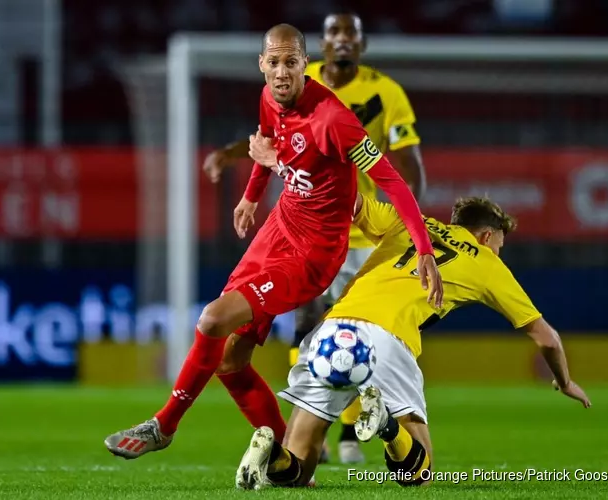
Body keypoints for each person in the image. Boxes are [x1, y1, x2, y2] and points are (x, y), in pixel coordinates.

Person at [104, 24, 443, 460]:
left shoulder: (334, 121)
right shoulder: (268, 97)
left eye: (291, 63)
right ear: (262, 64)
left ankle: (164, 424)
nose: (282, 72)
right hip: (279, 229)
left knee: (211, 320)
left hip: (314, 253)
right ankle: (293, 457)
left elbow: (393, 183)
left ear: (306, 64)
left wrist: (425, 250)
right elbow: (266, 144)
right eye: (274, 62)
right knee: (229, 360)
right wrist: (249, 196)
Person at [234, 193, 591, 490]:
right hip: (387, 338)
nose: (499, 253)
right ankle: (387, 427)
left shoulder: (408, 221)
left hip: (331, 330)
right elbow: (546, 336)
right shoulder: (486, 261)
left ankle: (271, 452)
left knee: (298, 472)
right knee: (419, 474)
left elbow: (349, 200)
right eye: (499, 244)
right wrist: (565, 381)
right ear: (486, 236)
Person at [202, 13, 427, 464]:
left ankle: (348, 432)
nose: (342, 41)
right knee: (306, 325)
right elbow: (268, 138)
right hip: (310, 228)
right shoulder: (287, 81)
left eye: (350, 34)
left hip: (364, 228)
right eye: (334, 33)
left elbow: (403, 167)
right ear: (319, 47)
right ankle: (313, 430)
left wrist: (412, 232)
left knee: (353, 332)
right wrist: (239, 163)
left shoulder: (382, 93)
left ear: (361, 44)